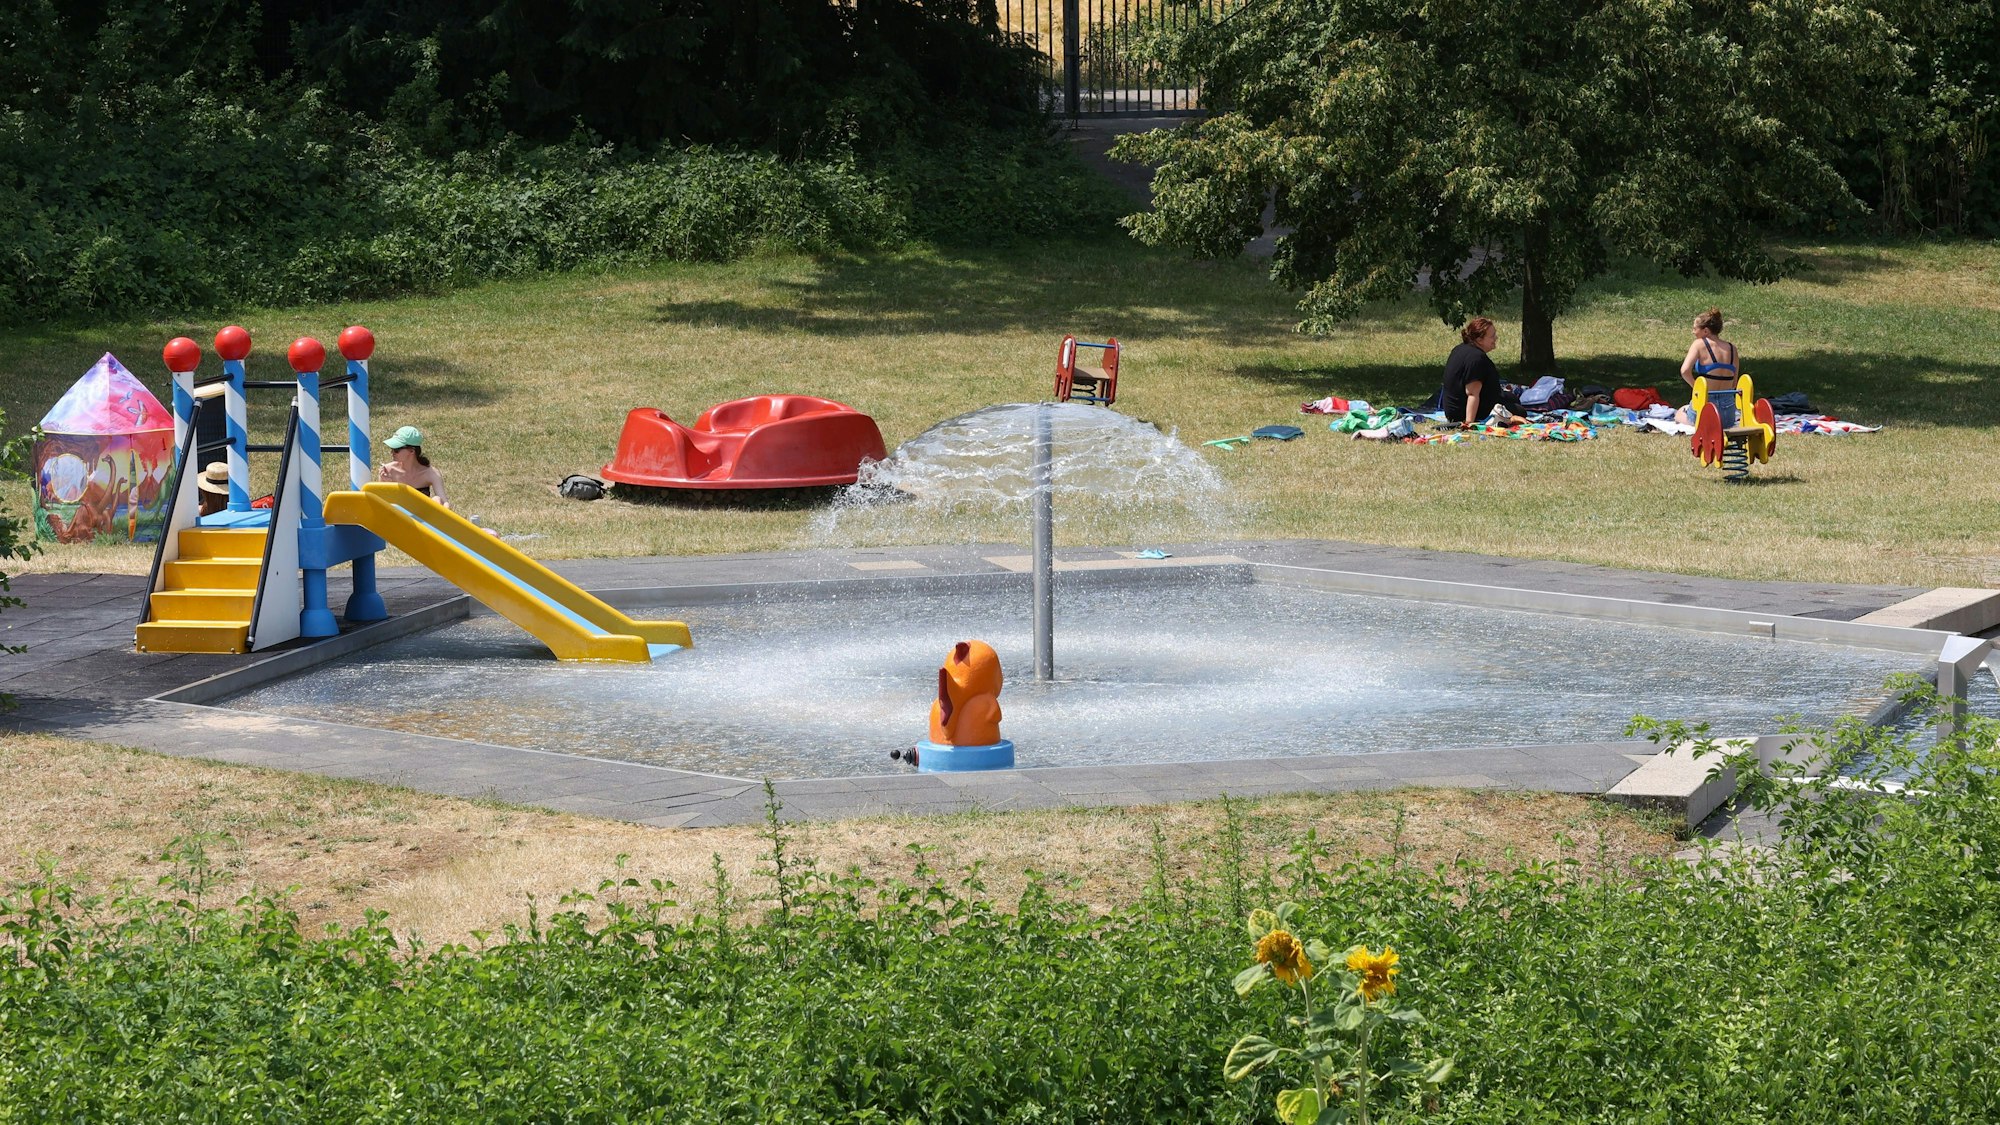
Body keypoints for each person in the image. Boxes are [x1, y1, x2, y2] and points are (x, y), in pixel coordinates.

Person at [1438, 317, 1522, 427]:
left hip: (1453, 408)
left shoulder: (1460, 349)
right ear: (1479, 340)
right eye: (1492, 336)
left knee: (1512, 398)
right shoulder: (1477, 359)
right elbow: (1472, 394)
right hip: (1463, 411)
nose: (1496, 338)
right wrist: (1469, 423)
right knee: (1519, 410)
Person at [1676, 308, 1741, 427]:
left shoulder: (1699, 344)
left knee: (1680, 413)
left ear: (1705, 331)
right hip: (1727, 413)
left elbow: (1684, 371)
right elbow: (1733, 383)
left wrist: (1697, 388)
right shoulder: (1732, 349)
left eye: (1695, 329)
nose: (1693, 332)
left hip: (1705, 405)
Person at [378, 425, 449, 507]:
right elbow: (381, 505)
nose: (392, 452)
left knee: (437, 499)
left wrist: (444, 507)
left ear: (411, 451)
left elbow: (444, 503)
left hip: (422, 517)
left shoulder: (431, 473)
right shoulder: (388, 471)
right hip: (397, 516)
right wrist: (386, 485)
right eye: (392, 449)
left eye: (396, 450)